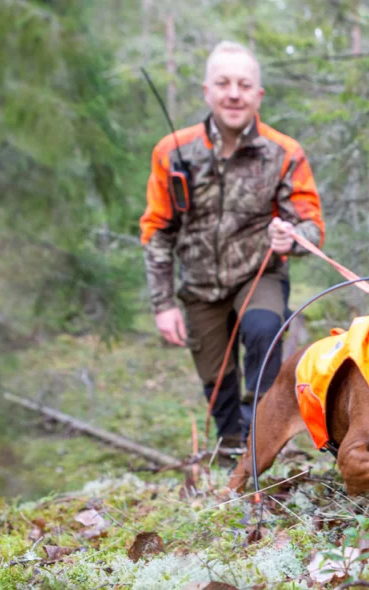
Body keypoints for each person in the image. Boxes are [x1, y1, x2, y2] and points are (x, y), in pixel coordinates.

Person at [139, 40, 325, 453]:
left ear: (258, 95)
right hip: (199, 285)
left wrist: (291, 237)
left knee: (262, 331)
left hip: (258, 273)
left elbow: (311, 225)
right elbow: (157, 231)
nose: (234, 93)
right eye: (223, 83)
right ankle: (230, 448)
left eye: (244, 84)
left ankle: (264, 438)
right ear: (207, 91)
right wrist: (163, 304)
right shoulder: (172, 152)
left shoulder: (283, 152)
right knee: (215, 375)